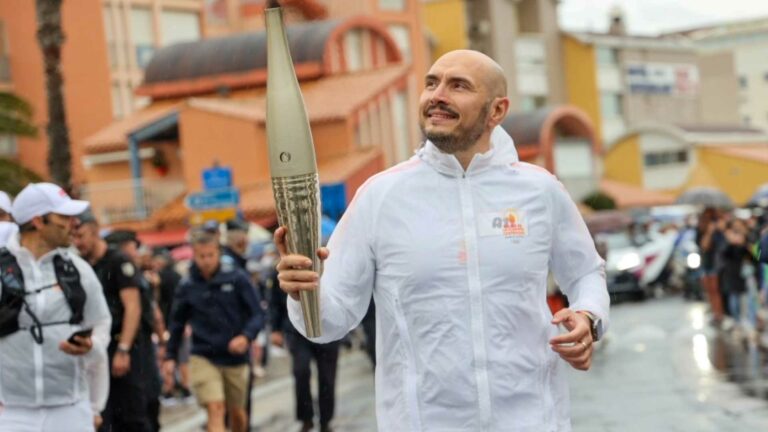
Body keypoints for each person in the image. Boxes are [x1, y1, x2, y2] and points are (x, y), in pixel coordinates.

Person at [275, 50, 609, 432]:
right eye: (431, 83)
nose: (437, 95)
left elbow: (586, 272)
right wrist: (304, 292)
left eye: (458, 86)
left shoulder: (540, 190)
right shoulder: (380, 196)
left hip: (533, 420)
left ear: (496, 111)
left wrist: (587, 316)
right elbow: (328, 323)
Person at [0, 183, 111, 431]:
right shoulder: (1, 267)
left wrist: (92, 347)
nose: (74, 223)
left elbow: (101, 323)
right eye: (64, 216)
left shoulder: (78, 270)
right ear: (38, 221)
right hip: (11, 411)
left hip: (71, 408)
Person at [163, 230, 265, 432]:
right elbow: (177, 323)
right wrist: (169, 356)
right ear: (194, 255)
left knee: (238, 414)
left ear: (218, 253)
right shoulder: (188, 285)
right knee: (215, 407)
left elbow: (258, 314)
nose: (206, 260)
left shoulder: (237, 278)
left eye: (210, 255)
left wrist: (246, 337)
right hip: (203, 355)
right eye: (201, 256)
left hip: (235, 357)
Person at [72, 212, 151, 432]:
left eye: (82, 235)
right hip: (95, 347)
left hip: (121, 344)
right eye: (74, 237)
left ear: (95, 229)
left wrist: (123, 349)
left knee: (132, 414)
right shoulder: (79, 265)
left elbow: (132, 307)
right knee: (101, 416)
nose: (78, 242)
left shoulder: (118, 261)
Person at [105, 230, 164, 432]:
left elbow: (153, 311)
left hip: (144, 344)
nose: (137, 251)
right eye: (133, 246)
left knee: (149, 402)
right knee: (136, 409)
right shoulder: (119, 270)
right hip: (131, 347)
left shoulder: (137, 274)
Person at [271, 278, 340, 432]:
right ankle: (306, 418)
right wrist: (275, 329)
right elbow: (274, 301)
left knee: (327, 377)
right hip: (297, 331)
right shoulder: (284, 264)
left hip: (327, 327)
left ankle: (325, 420)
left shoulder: (330, 259)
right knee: (301, 371)